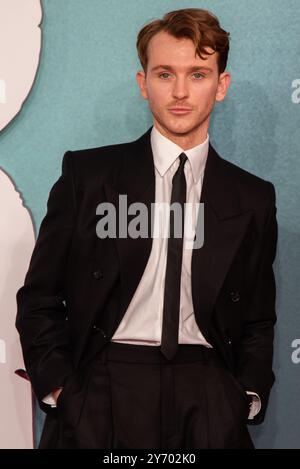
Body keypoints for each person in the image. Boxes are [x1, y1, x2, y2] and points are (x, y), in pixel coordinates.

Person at [16, 8, 278, 449]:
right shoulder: (89, 176)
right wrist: (63, 390)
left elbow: (257, 316)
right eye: (164, 74)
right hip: (102, 390)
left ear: (221, 85)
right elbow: (40, 296)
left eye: (198, 74)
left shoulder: (252, 197)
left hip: (208, 393)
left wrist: (244, 396)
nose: (179, 92)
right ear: (143, 84)